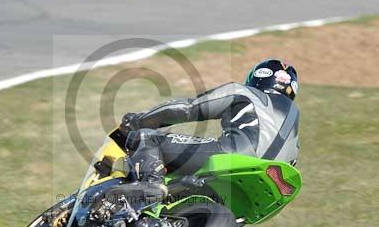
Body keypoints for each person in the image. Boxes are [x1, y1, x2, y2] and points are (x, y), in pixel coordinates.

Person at [120, 59, 300, 185]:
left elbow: (189, 108)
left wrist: (138, 121)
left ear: (257, 78)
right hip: (269, 183)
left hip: (234, 157)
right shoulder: (295, 129)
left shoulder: (244, 92)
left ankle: (147, 193)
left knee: (146, 139)